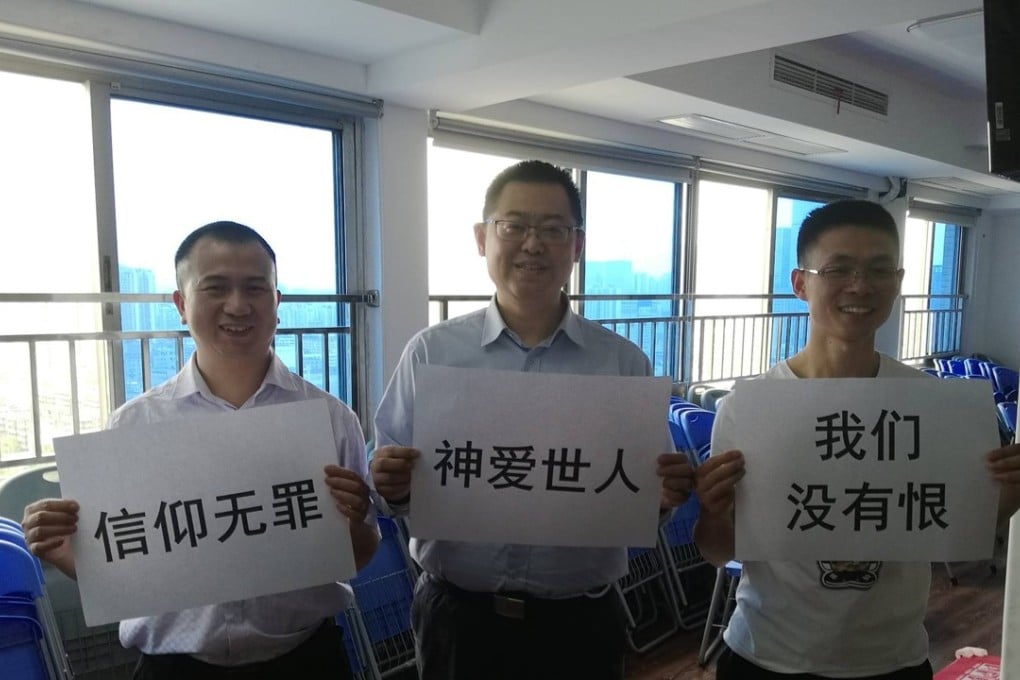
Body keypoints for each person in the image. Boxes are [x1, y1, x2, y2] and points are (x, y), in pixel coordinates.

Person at [370, 159, 694, 680]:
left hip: (581, 624)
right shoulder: (432, 352)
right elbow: (389, 490)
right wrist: (390, 481)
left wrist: (662, 497)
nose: (532, 244)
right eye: (514, 226)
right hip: (460, 621)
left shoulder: (620, 362)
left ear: (577, 246)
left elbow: (643, 498)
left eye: (552, 230)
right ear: (483, 237)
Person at [21, 221, 379, 680]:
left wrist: (352, 521)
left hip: (305, 658)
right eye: (215, 288)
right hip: (174, 668)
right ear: (181, 304)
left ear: (277, 303)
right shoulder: (134, 426)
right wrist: (62, 552)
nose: (237, 304)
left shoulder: (329, 419)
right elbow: (121, 571)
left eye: (255, 287)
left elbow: (361, 549)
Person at [693, 199, 1020, 679]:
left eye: (879, 269)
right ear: (801, 283)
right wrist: (714, 512)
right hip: (766, 655)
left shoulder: (930, 405)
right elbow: (718, 552)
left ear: (898, 281)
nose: (860, 286)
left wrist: (1007, 495)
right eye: (838, 269)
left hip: (892, 660)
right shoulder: (749, 408)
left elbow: (955, 530)